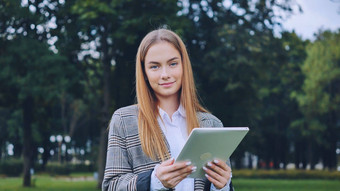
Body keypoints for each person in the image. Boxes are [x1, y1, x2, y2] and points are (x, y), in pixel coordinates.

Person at [102, 28, 233, 191]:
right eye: (155, 67)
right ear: (144, 72)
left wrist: (222, 185)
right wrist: (153, 181)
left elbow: (221, 184)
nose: (165, 74)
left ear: (184, 66)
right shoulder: (124, 120)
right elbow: (111, 186)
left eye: (173, 64)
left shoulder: (212, 124)